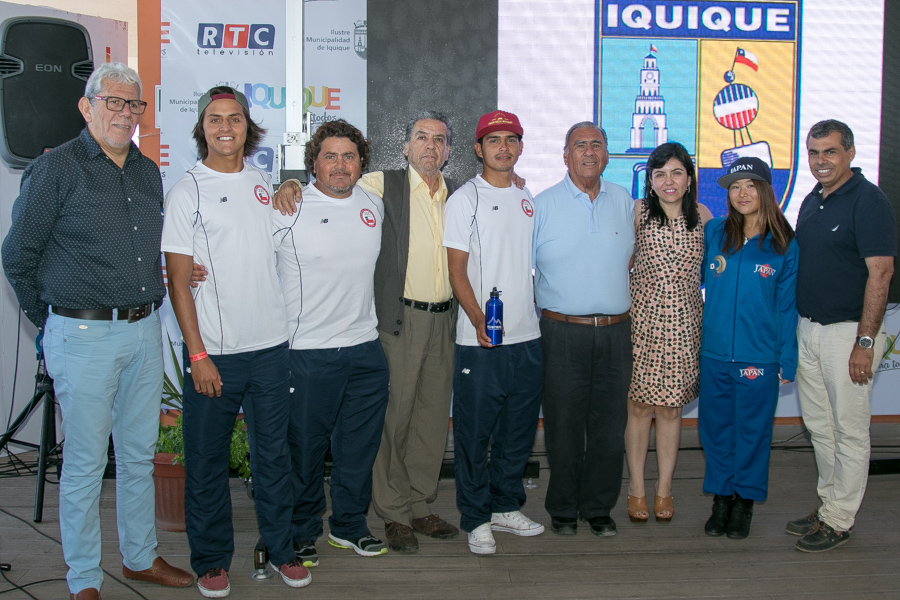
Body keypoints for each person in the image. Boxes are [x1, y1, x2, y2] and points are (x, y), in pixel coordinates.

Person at [1, 62, 193, 600]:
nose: (125, 112)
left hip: (141, 332)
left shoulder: (146, 171)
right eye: (113, 102)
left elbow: (143, 253)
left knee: (136, 457)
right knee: (86, 464)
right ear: (87, 107)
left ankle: (138, 559)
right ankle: (84, 579)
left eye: (134, 104)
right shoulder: (56, 169)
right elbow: (17, 257)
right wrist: (52, 323)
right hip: (81, 336)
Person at [273, 112, 466, 554]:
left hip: (438, 322)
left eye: (439, 140)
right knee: (386, 427)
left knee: (429, 421)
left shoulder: (455, 194)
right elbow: (310, 191)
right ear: (405, 146)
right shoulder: (382, 187)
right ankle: (390, 513)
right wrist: (289, 183)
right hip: (392, 324)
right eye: (421, 137)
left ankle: (416, 505)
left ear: (449, 150)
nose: (430, 147)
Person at [162, 86, 309, 597]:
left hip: (270, 349)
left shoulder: (262, 182)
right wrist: (197, 355)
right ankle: (210, 562)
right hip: (214, 355)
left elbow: (270, 234)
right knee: (206, 462)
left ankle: (283, 550)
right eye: (215, 119)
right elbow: (178, 280)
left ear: (248, 127)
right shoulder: (187, 191)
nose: (226, 127)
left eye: (235, 118)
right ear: (202, 127)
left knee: (274, 459)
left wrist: (289, 183)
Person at [273, 120, 391, 564]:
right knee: (304, 450)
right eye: (330, 156)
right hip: (306, 351)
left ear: (362, 162)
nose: (340, 165)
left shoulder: (373, 203)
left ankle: (348, 526)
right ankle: (302, 531)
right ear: (313, 164)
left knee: (358, 448)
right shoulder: (287, 207)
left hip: (365, 349)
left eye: (349, 156)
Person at [788, 120, 896, 552]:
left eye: (829, 152)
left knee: (849, 430)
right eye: (813, 153)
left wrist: (865, 343)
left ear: (849, 152)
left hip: (849, 333)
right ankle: (829, 503)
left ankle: (839, 518)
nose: (820, 161)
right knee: (820, 426)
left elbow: (881, 272)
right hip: (809, 328)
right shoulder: (813, 200)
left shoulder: (869, 201)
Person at [443, 110, 544, 555]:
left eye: (511, 139)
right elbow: (456, 270)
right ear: (479, 148)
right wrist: (478, 320)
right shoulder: (465, 198)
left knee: (517, 433)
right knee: (474, 435)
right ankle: (476, 517)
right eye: (494, 140)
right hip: (482, 340)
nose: (503, 147)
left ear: (520, 148)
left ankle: (505, 506)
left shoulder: (528, 197)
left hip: (528, 338)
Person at [532, 122, 635, 537]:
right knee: (563, 426)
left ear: (608, 154)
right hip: (561, 333)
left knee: (610, 428)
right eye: (580, 145)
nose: (589, 152)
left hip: (616, 333)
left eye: (597, 144)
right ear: (565, 155)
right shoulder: (541, 205)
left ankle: (598, 508)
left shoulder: (626, 201)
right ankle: (562, 508)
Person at [699, 157, 798, 540]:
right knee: (716, 431)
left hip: (760, 357)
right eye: (734, 187)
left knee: (753, 433)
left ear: (766, 191)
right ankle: (721, 499)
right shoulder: (714, 232)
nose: (741, 193)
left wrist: (786, 357)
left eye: (750, 185)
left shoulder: (785, 243)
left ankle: (744, 503)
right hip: (714, 354)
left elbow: (788, 307)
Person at [624, 142, 712, 523]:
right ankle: (637, 489)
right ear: (650, 180)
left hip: (684, 325)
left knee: (671, 410)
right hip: (642, 323)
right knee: (640, 407)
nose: (668, 181)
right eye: (660, 174)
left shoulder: (705, 217)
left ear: (689, 178)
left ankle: (664, 490)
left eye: (676, 172)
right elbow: (622, 263)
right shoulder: (638, 213)